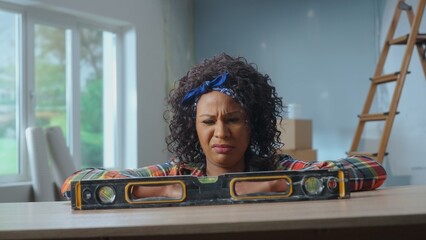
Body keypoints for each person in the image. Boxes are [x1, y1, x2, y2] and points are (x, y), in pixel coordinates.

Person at [61, 53, 387, 199]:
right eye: (208, 121)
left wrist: (274, 184)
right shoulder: (178, 174)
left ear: (253, 124)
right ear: (193, 127)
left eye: (233, 120)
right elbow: (75, 183)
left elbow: (372, 170)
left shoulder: (275, 167)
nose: (220, 133)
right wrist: (166, 190)